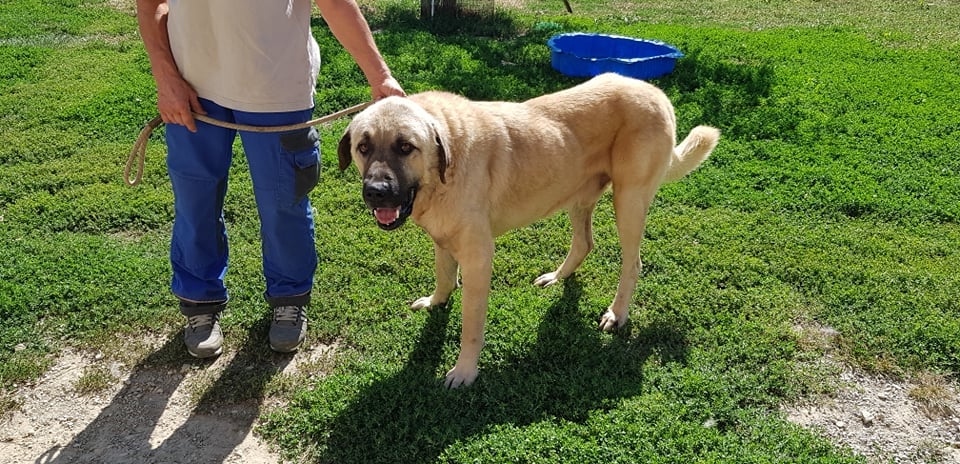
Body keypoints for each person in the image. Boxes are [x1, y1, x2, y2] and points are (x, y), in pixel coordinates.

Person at [136, 0, 405, 357]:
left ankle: (290, 298)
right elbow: (151, 3)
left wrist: (380, 75)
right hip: (191, 83)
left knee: (284, 203)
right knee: (194, 202)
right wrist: (165, 76)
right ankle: (199, 302)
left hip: (278, 89)